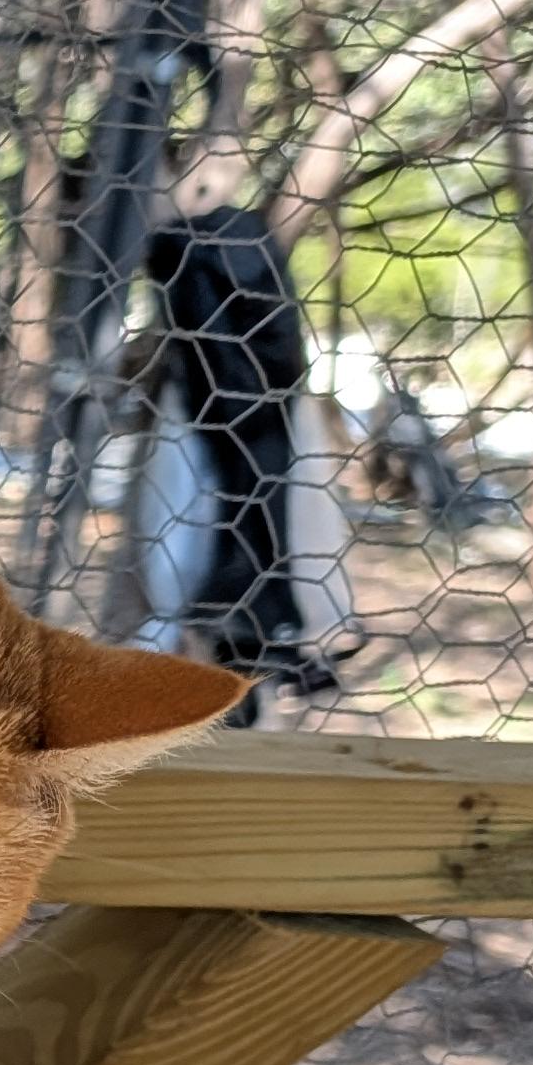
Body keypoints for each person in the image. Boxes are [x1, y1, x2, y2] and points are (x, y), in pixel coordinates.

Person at [141, 141, 334, 690]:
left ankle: (240, 644)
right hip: (247, 418)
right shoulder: (231, 244)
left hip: (234, 416)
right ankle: (240, 641)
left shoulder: (218, 242)